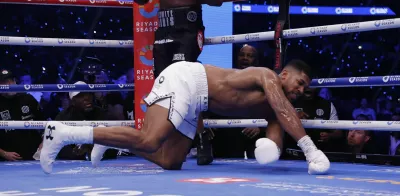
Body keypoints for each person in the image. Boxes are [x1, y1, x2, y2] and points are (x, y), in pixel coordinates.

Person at [40, 60, 330, 175]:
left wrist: (272, 149)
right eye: (300, 83)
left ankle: (113, 138)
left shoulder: (275, 111)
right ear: (284, 75)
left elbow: (275, 138)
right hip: (189, 79)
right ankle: (64, 133)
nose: (302, 90)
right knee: (149, 139)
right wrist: (311, 151)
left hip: (197, 103)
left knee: (171, 161)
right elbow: (282, 107)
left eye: (306, 88)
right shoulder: (266, 77)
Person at [124, 0, 223, 164]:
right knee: (164, 87)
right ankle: (166, 140)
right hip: (164, 31)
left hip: (189, 30)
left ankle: (201, 139)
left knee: (186, 84)